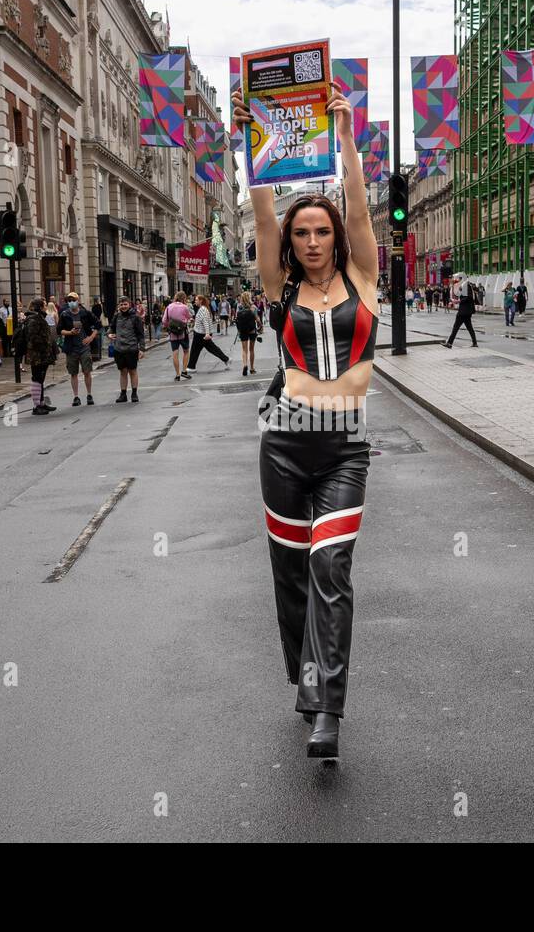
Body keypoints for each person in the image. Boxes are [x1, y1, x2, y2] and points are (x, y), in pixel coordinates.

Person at [237, 80, 378, 758]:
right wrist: (251, 140)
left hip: (344, 446)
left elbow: (360, 212)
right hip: (285, 445)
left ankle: (327, 708)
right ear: (292, 242)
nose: (316, 239)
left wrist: (345, 138)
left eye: (323, 229)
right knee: (290, 576)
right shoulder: (280, 286)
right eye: (305, 232)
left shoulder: (363, 280)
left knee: (332, 567)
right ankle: (305, 674)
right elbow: (263, 215)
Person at [18, 298, 56, 415]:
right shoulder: (33, 319)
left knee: (40, 379)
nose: (45, 307)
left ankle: (42, 403)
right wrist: (45, 344)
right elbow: (32, 337)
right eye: (44, 305)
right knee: (37, 378)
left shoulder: (38, 317)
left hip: (42, 354)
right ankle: (37, 406)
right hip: (37, 355)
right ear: (39, 307)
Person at [59, 293, 97, 405]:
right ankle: (76, 397)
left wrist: (90, 337)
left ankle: (89, 394)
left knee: (87, 371)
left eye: (73, 300)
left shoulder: (85, 313)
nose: (71, 302)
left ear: (78, 300)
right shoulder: (65, 314)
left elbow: (97, 325)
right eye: (69, 300)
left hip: (84, 347)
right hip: (71, 348)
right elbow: (59, 330)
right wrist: (70, 332)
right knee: (73, 373)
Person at [110, 297, 146, 403]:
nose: (123, 306)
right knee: (123, 371)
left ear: (129, 304)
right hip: (119, 349)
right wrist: (110, 334)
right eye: (121, 305)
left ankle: (134, 393)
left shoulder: (135, 317)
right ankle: (123, 394)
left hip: (132, 348)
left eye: (125, 304)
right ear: (119, 306)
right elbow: (111, 328)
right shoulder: (116, 316)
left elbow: (141, 335)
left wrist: (142, 349)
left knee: (132, 371)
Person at [187, 293, 231, 372]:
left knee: (195, 350)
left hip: (201, 334)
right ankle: (226, 359)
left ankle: (191, 367)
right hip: (201, 333)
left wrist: (207, 333)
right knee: (211, 348)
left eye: (196, 300)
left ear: (201, 301)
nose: (195, 301)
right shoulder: (202, 309)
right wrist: (194, 321)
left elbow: (205, 322)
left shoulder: (203, 309)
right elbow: (203, 321)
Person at [163, 292, 194, 381]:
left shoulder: (169, 307)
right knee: (186, 351)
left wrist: (169, 326)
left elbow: (164, 320)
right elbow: (189, 317)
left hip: (173, 333)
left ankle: (177, 374)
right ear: (183, 298)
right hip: (183, 332)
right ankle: (184, 371)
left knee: (175, 353)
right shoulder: (184, 307)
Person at [441, 272, 478, 348]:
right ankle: (475, 343)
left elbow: (468, 297)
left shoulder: (466, 285)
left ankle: (449, 343)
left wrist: (458, 301)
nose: (456, 280)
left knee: (456, 327)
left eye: (457, 279)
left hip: (464, 311)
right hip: (466, 310)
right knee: (469, 327)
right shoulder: (465, 285)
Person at [234, 291, 261, 376]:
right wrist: (260, 326)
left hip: (243, 330)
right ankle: (252, 368)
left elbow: (236, 319)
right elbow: (258, 320)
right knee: (251, 349)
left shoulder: (239, 307)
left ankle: (245, 365)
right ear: (249, 298)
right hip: (252, 330)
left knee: (244, 350)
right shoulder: (253, 307)